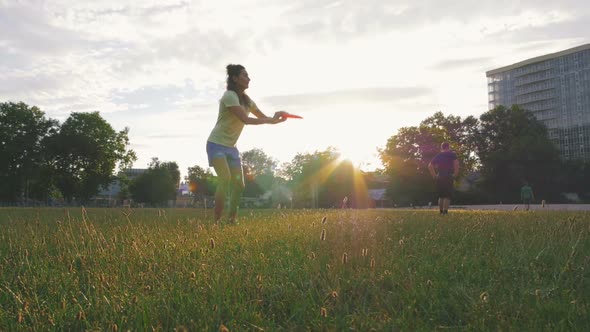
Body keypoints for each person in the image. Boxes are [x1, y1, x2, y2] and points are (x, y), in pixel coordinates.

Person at [206, 64, 286, 224]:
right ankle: (215, 222)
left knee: (240, 185)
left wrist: (277, 117)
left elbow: (263, 118)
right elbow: (246, 119)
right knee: (225, 179)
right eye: (244, 75)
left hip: (232, 148)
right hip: (216, 144)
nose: (248, 78)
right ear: (235, 78)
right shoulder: (229, 96)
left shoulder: (248, 101)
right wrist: (270, 120)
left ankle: (231, 220)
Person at [428, 142, 459, 215]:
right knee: (447, 195)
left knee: (441, 196)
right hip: (448, 175)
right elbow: (456, 164)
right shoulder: (452, 154)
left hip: (440, 176)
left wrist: (434, 175)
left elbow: (430, 166)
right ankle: (445, 212)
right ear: (448, 147)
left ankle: (441, 211)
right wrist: (455, 174)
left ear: (442, 147)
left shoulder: (438, 155)